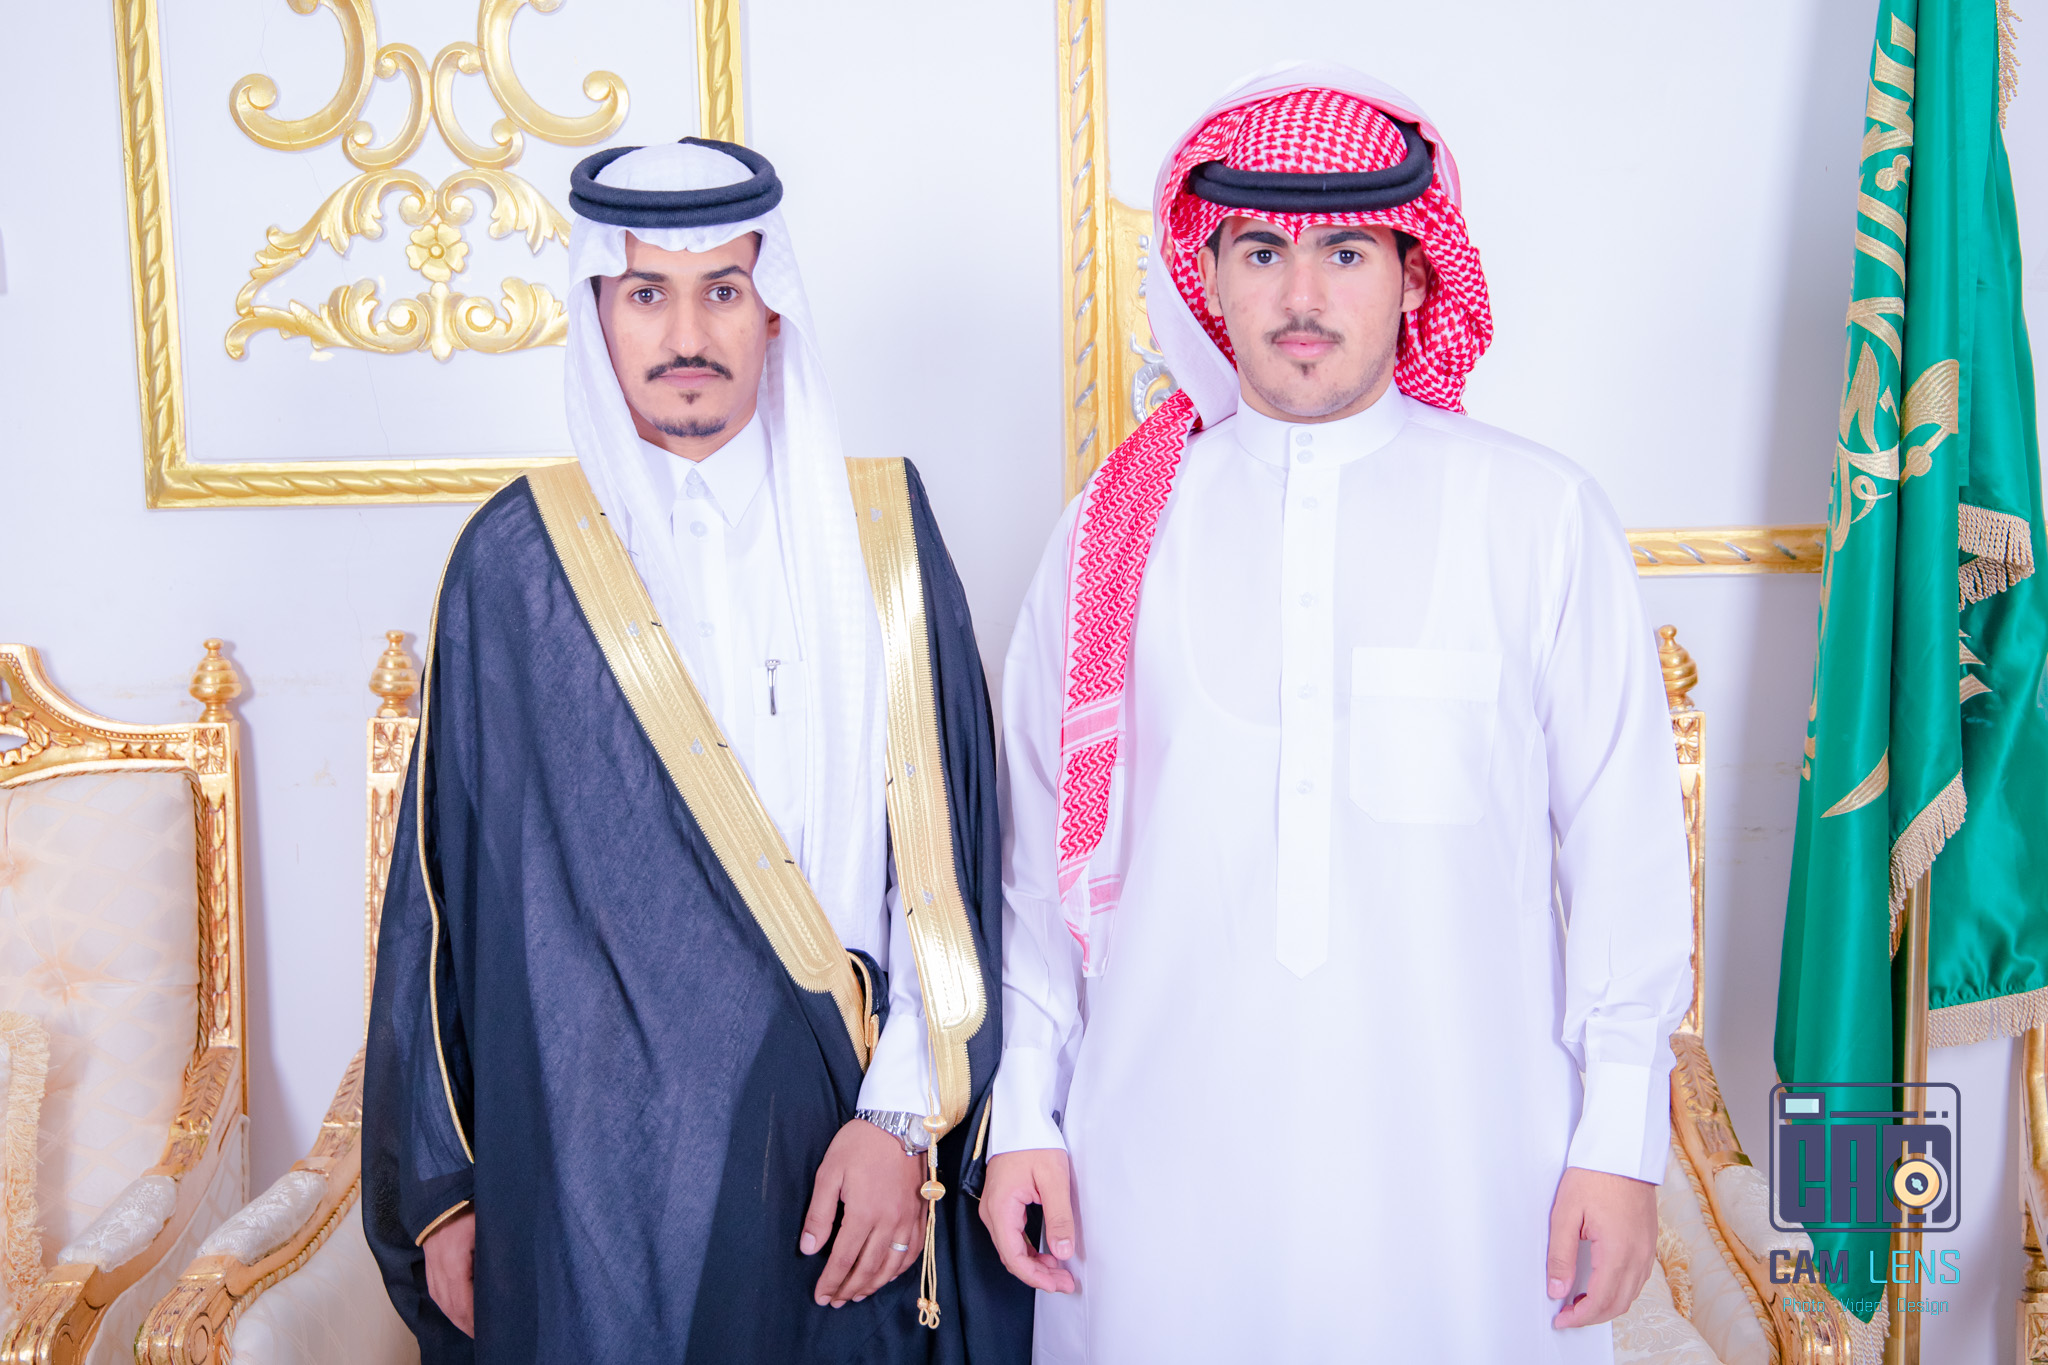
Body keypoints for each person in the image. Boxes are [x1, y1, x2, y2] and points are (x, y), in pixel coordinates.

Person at [981, 64, 1694, 1362]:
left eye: (1346, 253)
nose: (1300, 296)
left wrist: (1619, 1140)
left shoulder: (1535, 516)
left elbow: (1623, 855)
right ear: (1209, 276)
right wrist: (1026, 1108)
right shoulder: (1115, 530)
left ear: (1416, 275)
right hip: (1155, 1175)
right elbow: (1036, 856)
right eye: (1261, 252)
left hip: (1472, 1176)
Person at [363, 137, 1029, 1363]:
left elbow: (948, 865)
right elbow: (444, 902)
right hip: (589, 1182)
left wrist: (898, 1125)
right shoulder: (514, 565)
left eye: (722, 289)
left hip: (839, 1143)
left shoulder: (879, 532)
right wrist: (447, 1191)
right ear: (597, 315)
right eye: (645, 294)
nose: (686, 333)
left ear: (773, 312)